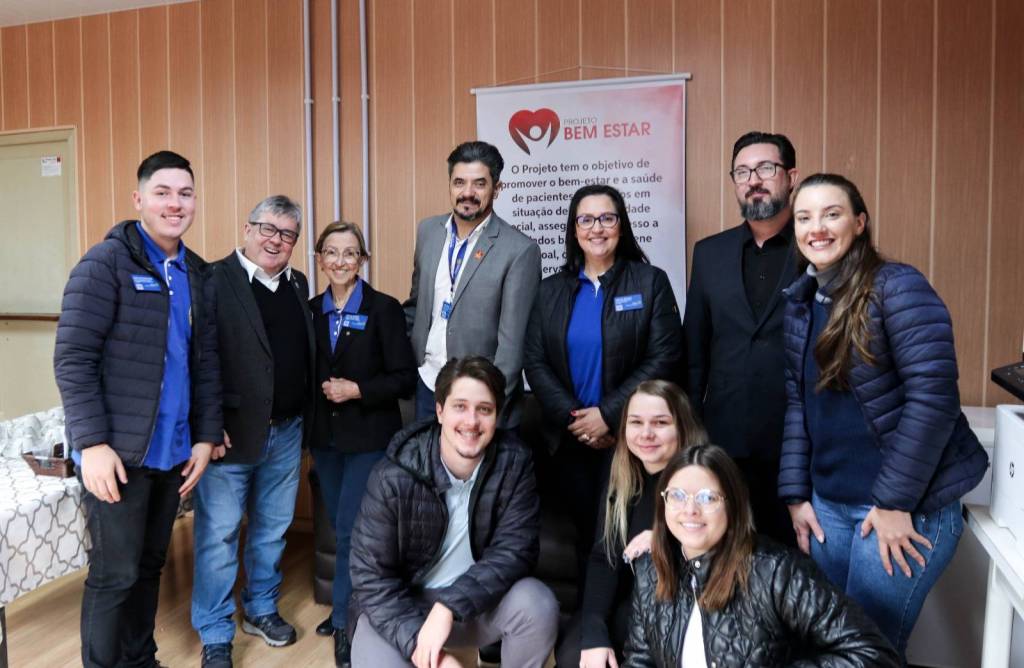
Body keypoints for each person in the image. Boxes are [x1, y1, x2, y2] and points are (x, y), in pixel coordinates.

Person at [778, 173, 989, 657]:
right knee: (833, 647)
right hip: (828, 507)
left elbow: (933, 400)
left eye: (832, 214)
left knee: (867, 652)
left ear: (860, 223)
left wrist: (894, 503)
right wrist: (796, 495)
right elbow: (799, 403)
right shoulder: (802, 302)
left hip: (900, 509)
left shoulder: (898, 287)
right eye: (805, 218)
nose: (817, 228)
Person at [54, 150, 222, 668]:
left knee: (150, 567)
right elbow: (73, 358)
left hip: (172, 453)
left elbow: (205, 363)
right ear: (139, 199)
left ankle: (140, 660)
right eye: (162, 192)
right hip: (118, 455)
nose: (175, 204)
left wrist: (204, 436)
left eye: (185, 193)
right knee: (116, 575)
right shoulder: (105, 263)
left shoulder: (195, 272)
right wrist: (92, 444)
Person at [349, 356, 559, 667]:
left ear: (497, 416)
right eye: (460, 406)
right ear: (439, 411)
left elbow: (516, 551)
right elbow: (370, 578)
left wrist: (449, 606)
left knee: (537, 603)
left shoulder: (514, 463)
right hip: (403, 610)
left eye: (484, 409)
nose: (471, 421)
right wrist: (435, 655)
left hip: (473, 605)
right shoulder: (393, 475)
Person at [524, 183, 682, 575]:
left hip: (633, 439)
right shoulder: (550, 291)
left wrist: (609, 415)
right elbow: (535, 361)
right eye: (586, 220)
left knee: (634, 539)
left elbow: (665, 356)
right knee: (587, 541)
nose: (597, 228)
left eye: (607, 218)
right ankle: (591, 612)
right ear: (574, 230)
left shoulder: (649, 282)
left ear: (621, 225)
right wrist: (577, 420)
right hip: (571, 440)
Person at [624, 445, 899, 667]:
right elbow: (639, 661)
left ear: (733, 506)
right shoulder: (650, 569)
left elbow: (872, 653)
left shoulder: (775, 571)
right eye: (677, 495)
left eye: (708, 498)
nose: (690, 510)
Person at [192, 195, 316, 668]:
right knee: (219, 536)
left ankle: (261, 608)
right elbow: (195, 359)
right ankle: (215, 630)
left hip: (286, 433)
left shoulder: (297, 283)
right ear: (247, 229)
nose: (275, 240)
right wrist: (207, 427)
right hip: (229, 436)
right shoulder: (212, 279)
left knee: (271, 530)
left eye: (287, 234)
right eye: (267, 228)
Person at [682, 131, 800, 546]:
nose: (754, 180)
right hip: (725, 439)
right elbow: (694, 352)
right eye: (743, 172)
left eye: (766, 168)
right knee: (730, 553)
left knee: (794, 558)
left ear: (791, 177)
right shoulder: (709, 253)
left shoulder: (816, 249)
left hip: (798, 441)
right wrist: (693, 432)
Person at [308, 221, 417, 666]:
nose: (340, 261)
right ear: (319, 260)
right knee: (342, 527)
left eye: (350, 253)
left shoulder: (384, 309)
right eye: (332, 252)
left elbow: (404, 379)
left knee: (353, 529)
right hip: (326, 440)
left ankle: (344, 623)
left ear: (362, 260)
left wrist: (357, 390)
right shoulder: (310, 311)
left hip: (369, 438)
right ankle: (353, 603)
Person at [557, 380, 707, 668]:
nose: (646, 433)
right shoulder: (623, 473)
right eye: (636, 422)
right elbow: (604, 557)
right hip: (626, 604)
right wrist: (594, 630)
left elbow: (720, 560)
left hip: (682, 608)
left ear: (682, 427)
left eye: (660, 422)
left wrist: (662, 539)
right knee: (574, 655)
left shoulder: (704, 478)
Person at [404, 141, 541, 427]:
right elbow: (416, 305)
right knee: (426, 458)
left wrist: (488, 404)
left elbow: (512, 346)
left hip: (480, 398)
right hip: (428, 386)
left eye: (479, 183)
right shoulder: (428, 231)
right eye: (459, 182)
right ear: (450, 185)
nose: (467, 193)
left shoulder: (519, 250)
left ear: (497, 188)